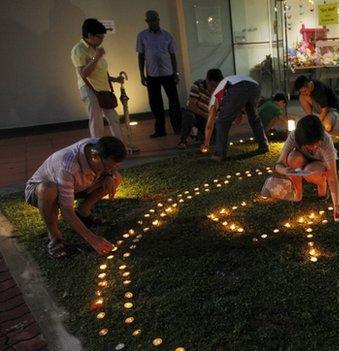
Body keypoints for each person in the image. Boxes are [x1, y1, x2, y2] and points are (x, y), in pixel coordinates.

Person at [24, 137, 126, 259]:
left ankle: (83, 212)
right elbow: (66, 209)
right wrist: (92, 239)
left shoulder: (98, 144)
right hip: (43, 189)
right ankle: (55, 237)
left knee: (116, 178)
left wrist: (110, 173)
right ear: (94, 155)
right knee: (48, 190)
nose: (108, 169)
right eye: (106, 166)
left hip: (76, 186)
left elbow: (111, 165)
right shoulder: (68, 166)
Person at [274, 115, 339, 221]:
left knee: (311, 172)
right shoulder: (294, 136)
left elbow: (332, 177)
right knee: (292, 158)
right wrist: (284, 170)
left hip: (322, 164)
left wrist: (337, 207)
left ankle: (322, 186)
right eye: (310, 145)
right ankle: (298, 193)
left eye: (316, 143)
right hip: (304, 160)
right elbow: (278, 164)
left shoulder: (326, 140)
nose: (314, 147)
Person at [71, 19, 124, 140]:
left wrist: (114, 79)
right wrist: (97, 57)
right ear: (90, 35)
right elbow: (84, 73)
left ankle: (119, 146)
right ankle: (99, 149)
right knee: (97, 122)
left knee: (114, 119)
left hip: (103, 89)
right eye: (99, 37)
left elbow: (100, 71)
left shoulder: (95, 48)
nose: (102, 40)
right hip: (90, 89)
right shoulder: (78, 49)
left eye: (103, 37)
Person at [137, 10, 182, 138]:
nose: (154, 22)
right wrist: (141, 75)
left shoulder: (167, 35)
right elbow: (141, 56)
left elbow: (173, 55)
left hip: (168, 73)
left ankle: (177, 127)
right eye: (151, 20)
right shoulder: (142, 36)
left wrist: (176, 73)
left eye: (156, 19)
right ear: (147, 21)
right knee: (155, 103)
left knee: (174, 101)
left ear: (159, 19)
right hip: (152, 75)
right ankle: (160, 130)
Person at [205, 75, 269, 161]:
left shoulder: (214, 97)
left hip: (237, 87)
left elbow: (210, 124)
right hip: (255, 87)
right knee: (254, 118)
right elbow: (238, 118)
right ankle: (264, 146)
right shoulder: (226, 88)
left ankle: (219, 154)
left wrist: (206, 143)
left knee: (222, 122)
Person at [178, 69, 223, 150]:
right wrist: (206, 115)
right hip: (196, 114)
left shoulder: (220, 91)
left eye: (216, 86)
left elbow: (220, 110)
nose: (213, 89)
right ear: (207, 80)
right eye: (212, 86)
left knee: (215, 138)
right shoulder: (198, 85)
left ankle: (198, 135)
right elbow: (191, 106)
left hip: (207, 119)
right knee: (188, 116)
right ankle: (183, 141)